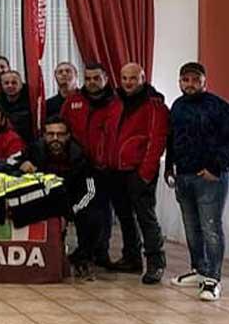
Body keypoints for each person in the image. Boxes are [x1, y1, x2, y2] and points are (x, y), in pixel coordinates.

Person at [166, 62, 229, 301]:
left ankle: (213, 278)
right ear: (180, 82)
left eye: (195, 80)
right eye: (185, 80)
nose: (190, 84)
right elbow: (172, 139)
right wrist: (169, 167)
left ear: (204, 81)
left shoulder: (219, 107)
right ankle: (199, 269)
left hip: (210, 178)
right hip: (183, 176)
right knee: (191, 227)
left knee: (210, 227)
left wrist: (216, 167)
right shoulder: (177, 106)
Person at [102, 63, 169, 284]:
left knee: (145, 218)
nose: (128, 82)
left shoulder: (155, 105)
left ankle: (156, 263)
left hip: (138, 171)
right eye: (124, 78)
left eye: (133, 78)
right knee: (125, 218)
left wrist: (145, 174)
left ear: (142, 78)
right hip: (115, 170)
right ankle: (131, 257)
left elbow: (157, 141)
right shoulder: (115, 102)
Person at [17, 117, 99, 279]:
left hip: (72, 201)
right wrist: (22, 164)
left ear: (68, 136)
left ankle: (84, 258)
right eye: (51, 134)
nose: (55, 139)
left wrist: (69, 214)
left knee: (93, 216)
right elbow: (11, 162)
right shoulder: (34, 150)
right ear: (44, 136)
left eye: (60, 134)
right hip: (43, 200)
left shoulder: (80, 156)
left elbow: (90, 192)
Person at [62, 63, 117, 268]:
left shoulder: (116, 103)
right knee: (82, 209)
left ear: (106, 79)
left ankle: (101, 252)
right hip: (79, 167)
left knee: (103, 210)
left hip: (106, 167)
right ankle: (84, 250)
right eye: (88, 78)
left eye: (96, 78)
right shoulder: (73, 101)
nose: (92, 82)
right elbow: (63, 129)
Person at [0, 71, 34, 142]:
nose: (10, 86)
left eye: (14, 83)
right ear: (1, 85)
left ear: (21, 85)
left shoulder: (32, 101)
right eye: (6, 83)